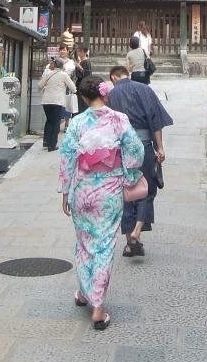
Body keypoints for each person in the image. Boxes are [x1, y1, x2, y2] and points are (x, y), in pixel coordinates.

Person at [58, 76, 146, 330]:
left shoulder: (77, 122)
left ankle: (84, 293)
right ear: (104, 94)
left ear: (84, 98)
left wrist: (65, 191)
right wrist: (129, 175)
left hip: (82, 190)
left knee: (85, 242)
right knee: (104, 244)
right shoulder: (119, 119)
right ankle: (97, 306)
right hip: (109, 190)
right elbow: (136, 152)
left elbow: (67, 157)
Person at [106, 64, 173, 257]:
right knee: (146, 189)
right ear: (127, 74)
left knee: (126, 191)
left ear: (113, 78)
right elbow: (156, 121)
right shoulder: (145, 89)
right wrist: (160, 147)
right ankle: (137, 231)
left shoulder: (111, 95)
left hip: (121, 149)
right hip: (144, 146)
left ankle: (130, 242)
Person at [39, 57, 75, 151]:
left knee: (49, 121)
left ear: (54, 65)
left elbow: (39, 86)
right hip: (57, 102)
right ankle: (52, 145)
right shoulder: (64, 75)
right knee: (56, 122)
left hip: (46, 101)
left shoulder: (48, 74)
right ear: (62, 66)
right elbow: (73, 88)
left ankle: (46, 142)